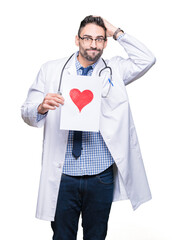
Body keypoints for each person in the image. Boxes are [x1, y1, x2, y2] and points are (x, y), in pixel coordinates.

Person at [21, 15, 156, 240]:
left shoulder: (115, 70)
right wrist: (42, 106)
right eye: (87, 38)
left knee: (96, 236)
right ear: (77, 40)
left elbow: (147, 59)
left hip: (100, 176)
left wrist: (115, 31)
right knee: (62, 236)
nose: (93, 44)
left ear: (105, 42)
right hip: (64, 176)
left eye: (99, 39)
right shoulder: (51, 70)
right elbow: (26, 112)